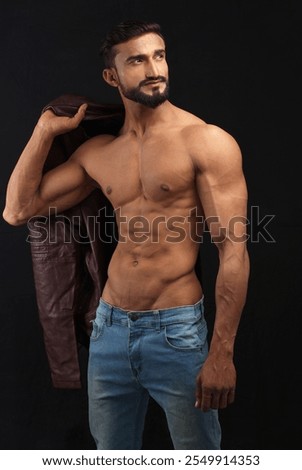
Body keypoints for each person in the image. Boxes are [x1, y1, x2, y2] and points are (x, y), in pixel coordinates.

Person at [3, 20, 249, 450]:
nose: (155, 69)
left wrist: (222, 352)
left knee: (199, 457)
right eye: (137, 60)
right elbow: (17, 210)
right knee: (112, 456)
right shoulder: (99, 154)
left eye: (160, 55)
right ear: (111, 76)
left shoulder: (205, 142)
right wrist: (43, 131)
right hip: (109, 329)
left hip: (177, 331)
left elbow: (233, 251)